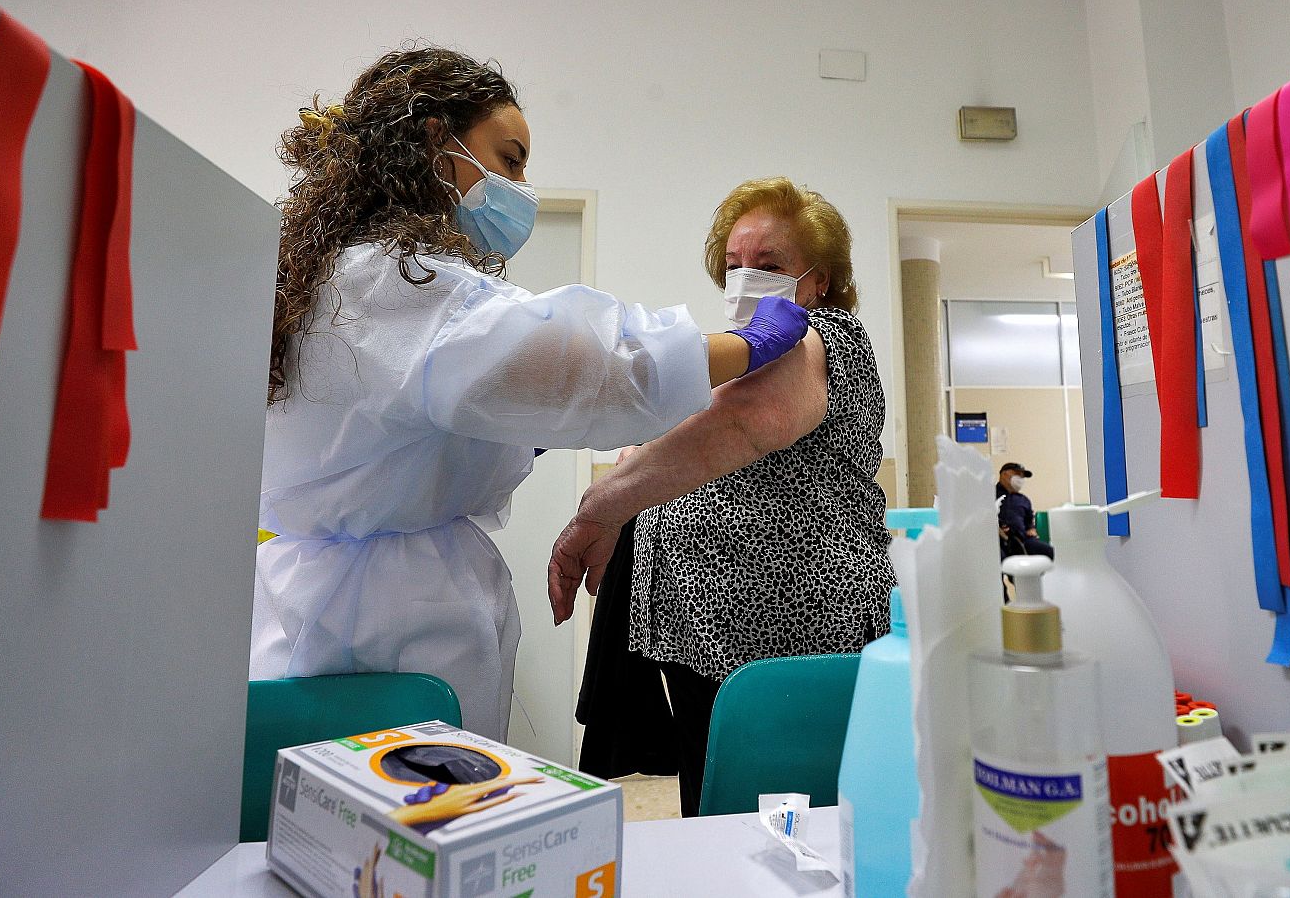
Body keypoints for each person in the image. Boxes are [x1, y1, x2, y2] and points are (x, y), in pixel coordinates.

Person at [248, 48, 811, 739]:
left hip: (335, 604)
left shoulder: (327, 278)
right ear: (432, 140)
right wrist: (750, 345)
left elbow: (421, 413)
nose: (521, 187)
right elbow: (595, 364)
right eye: (509, 159)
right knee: (411, 822)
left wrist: (526, 438)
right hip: (389, 623)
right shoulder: (397, 284)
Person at [550, 177, 897, 815]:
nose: (744, 278)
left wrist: (600, 509)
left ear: (816, 281)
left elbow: (733, 428)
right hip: (702, 632)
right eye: (734, 264)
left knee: (784, 811)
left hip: (789, 630)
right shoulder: (743, 356)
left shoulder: (831, 338)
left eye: (768, 266)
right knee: (710, 793)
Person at [998, 462, 1053, 560]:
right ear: (1004, 474)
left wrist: (1031, 529)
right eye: (1017, 474)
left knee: (1049, 551)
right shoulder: (990, 495)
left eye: (1022, 476)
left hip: (1023, 540)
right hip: (998, 541)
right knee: (998, 558)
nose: (1020, 479)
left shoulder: (1023, 500)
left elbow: (1029, 523)